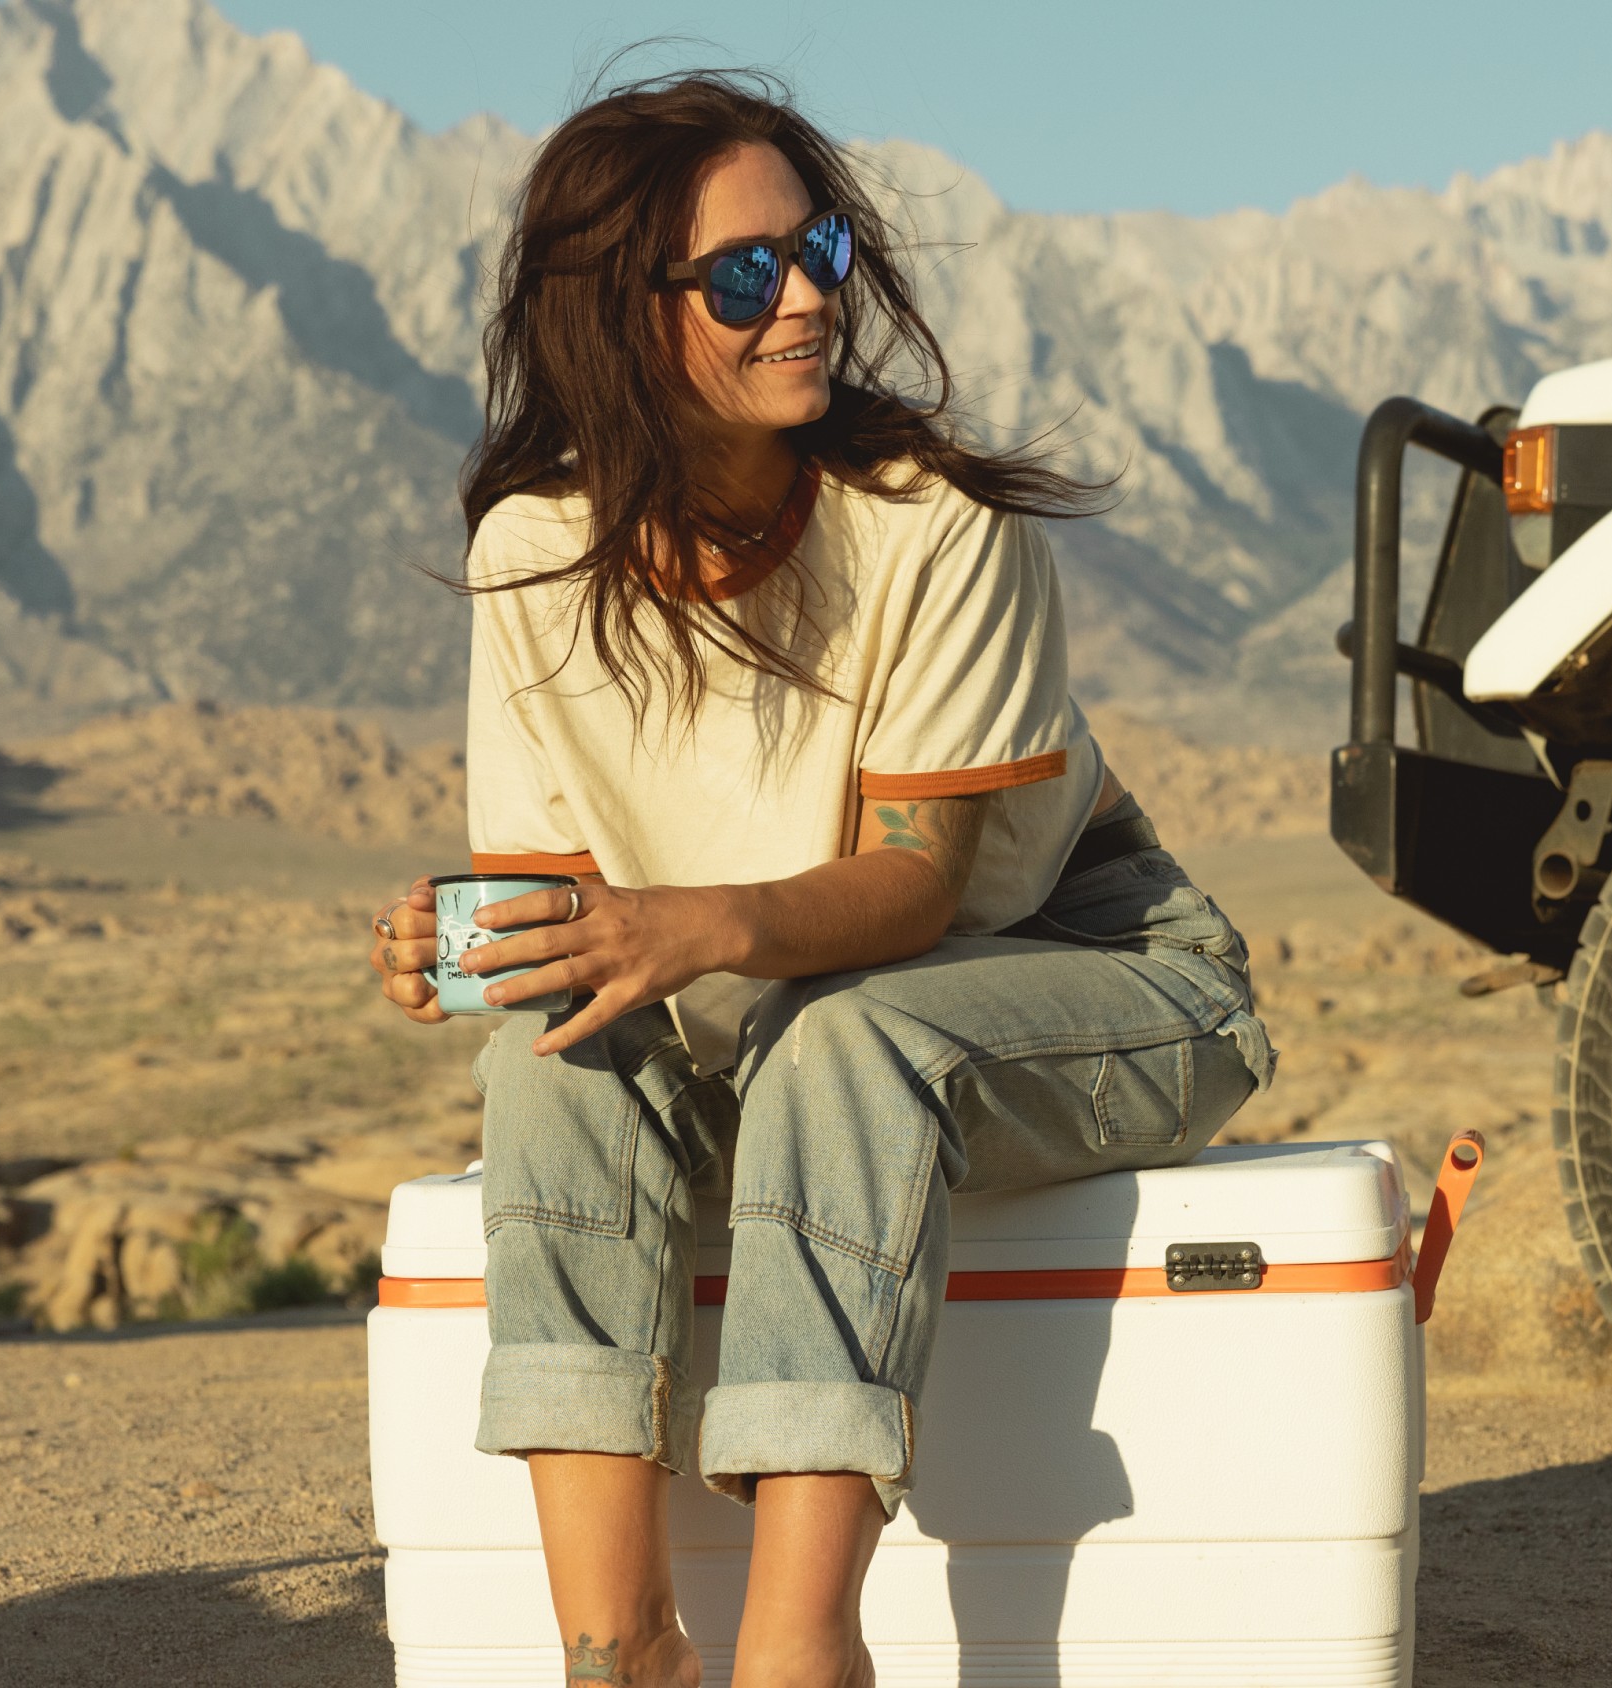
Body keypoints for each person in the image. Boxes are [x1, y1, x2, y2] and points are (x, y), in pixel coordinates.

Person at [367, 71, 1271, 1688]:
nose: (803, 301)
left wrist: (691, 925)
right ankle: (619, 1648)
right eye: (741, 276)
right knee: (550, 1057)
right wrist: (473, 949)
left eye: (820, 250)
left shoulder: (936, 527)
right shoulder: (534, 549)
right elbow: (573, 915)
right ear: (620, 318)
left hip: (1102, 963)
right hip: (780, 1010)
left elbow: (919, 890)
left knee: (851, 1041)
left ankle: (799, 1654)